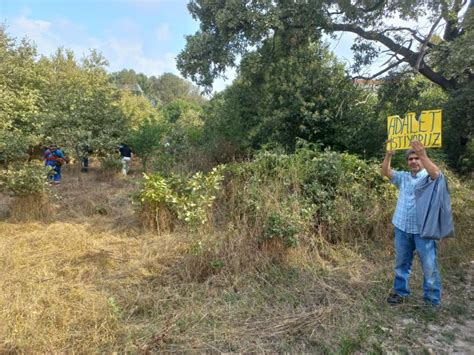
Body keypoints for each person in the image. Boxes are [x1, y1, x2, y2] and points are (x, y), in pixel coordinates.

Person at [381, 140, 442, 307]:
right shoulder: (404, 178)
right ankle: (400, 293)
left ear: (422, 160)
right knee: (401, 263)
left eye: (417, 158)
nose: (414, 161)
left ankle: (431, 302)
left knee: (429, 266)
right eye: (410, 159)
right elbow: (386, 171)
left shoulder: (429, 178)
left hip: (423, 231)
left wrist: (423, 153)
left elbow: (437, 173)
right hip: (402, 228)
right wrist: (388, 154)